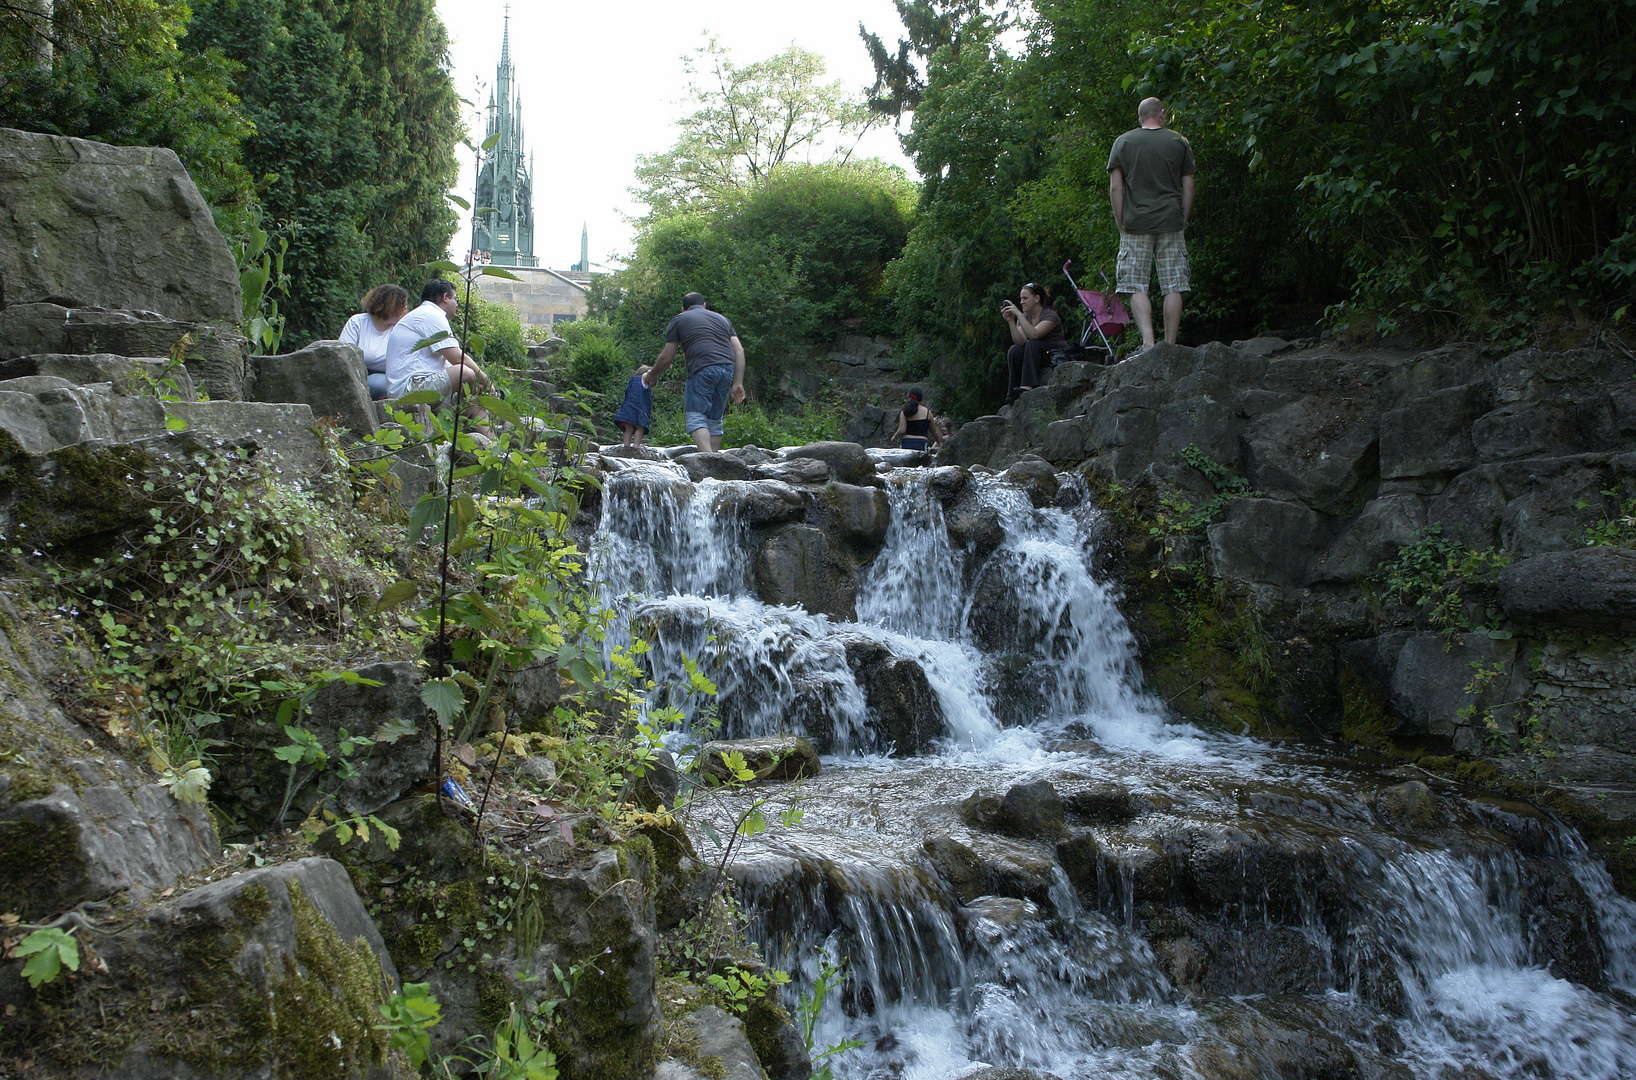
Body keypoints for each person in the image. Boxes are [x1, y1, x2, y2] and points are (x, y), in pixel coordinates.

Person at [1107, 96, 1195, 353]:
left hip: (1136, 223)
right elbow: (1188, 186)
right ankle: (1170, 345)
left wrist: (1121, 222)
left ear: (1140, 117)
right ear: (1162, 114)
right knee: (1174, 284)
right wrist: (1182, 218)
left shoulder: (1123, 142)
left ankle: (1148, 342)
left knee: (1135, 284)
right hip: (1171, 220)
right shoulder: (1179, 142)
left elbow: (1115, 188)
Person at [641, 292, 746, 452]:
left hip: (702, 369)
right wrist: (738, 383)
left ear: (683, 309)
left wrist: (651, 374)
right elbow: (739, 350)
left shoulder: (679, 319)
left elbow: (666, 358)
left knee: (697, 418)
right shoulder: (723, 320)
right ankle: (716, 464)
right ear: (704, 305)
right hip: (727, 369)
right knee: (714, 420)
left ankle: (708, 460)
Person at [384, 279, 496, 407]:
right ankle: (495, 412)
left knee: (471, 398)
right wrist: (489, 385)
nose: (456, 304)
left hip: (413, 386)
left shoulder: (422, 314)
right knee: (465, 373)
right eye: (455, 299)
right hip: (410, 389)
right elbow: (459, 359)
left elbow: (447, 365)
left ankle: (493, 426)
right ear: (445, 298)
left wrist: (478, 386)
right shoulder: (431, 315)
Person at [337, 284, 411, 401]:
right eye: (403, 306)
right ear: (391, 306)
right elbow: (343, 354)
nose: (406, 310)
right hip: (356, 376)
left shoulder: (401, 329)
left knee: (375, 383)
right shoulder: (357, 322)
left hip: (386, 378)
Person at [1001, 282, 1068, 402]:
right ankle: (1012, 392)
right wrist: (1011, 321)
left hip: (1054, 354)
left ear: (1037, 298)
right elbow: (1019, 341)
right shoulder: (1025, 317)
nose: (1022, 302)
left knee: (1032, 344)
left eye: (1025, 298)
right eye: (1021, 298)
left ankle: (1027, 386)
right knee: (1014, 350)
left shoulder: (1050, 315)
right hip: (1035, 354)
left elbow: (1034, 334)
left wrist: (1018, 314)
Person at [614, 364, 654, 448]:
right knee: (640, 428)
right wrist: (655, 371)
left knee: (628, 429)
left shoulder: (632, 381)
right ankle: (636, 446)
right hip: (638, 410)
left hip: (627, 409)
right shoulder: (644, 379)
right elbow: (649, 374)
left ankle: (626, 446)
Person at [894, 387, 941, 451]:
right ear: (921, 398)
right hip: (921, 443)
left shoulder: (905, 411)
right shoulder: (927, 412)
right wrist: (939, 442)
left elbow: (902, 430)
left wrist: (894, 437)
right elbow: (933, 431)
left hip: (907, 442)